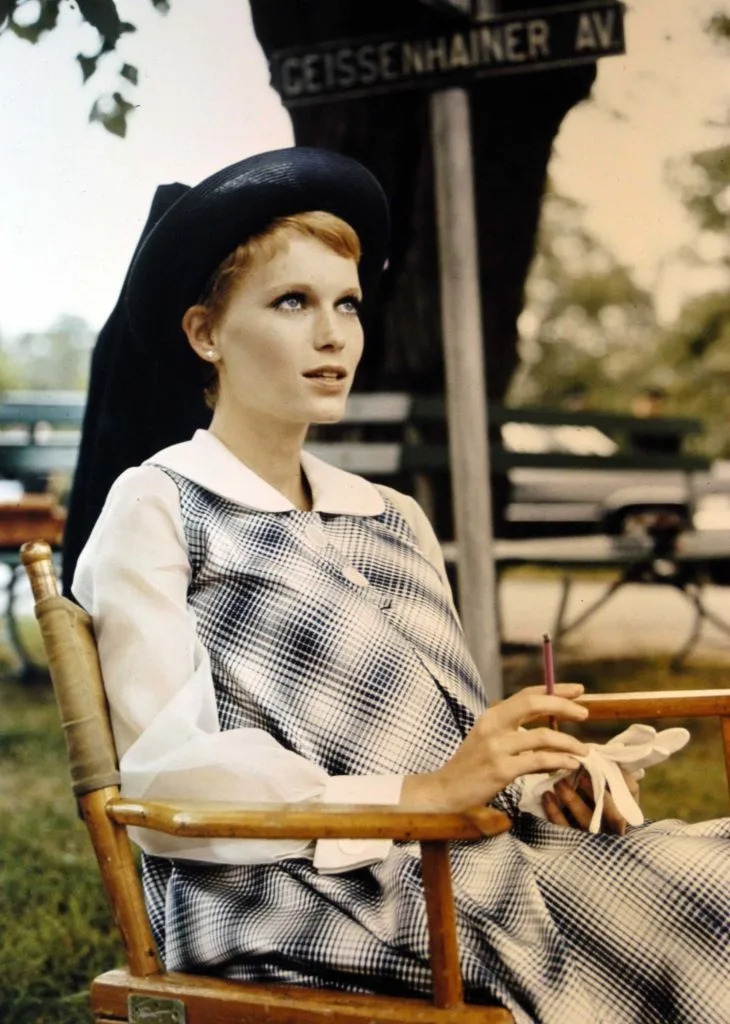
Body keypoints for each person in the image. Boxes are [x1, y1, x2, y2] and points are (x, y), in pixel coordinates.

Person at [71, 148, 730, 1024]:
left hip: (464, 858)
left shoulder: (389, 515)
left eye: (347, 303)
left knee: (707, 876)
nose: (335, 335)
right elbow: (164, 783)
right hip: (286, 900)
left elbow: (446, 743)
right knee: (702, 902)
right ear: (205, 334)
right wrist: (421, 796)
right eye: (292, 302)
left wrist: (537, 785)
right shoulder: (160, 505)